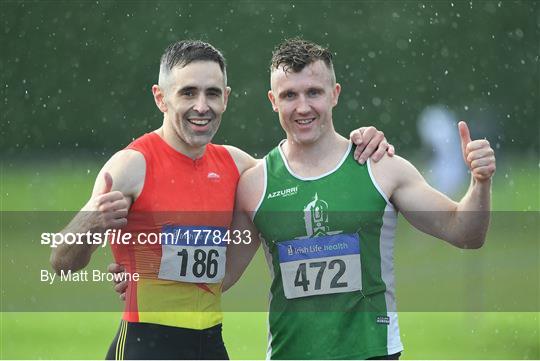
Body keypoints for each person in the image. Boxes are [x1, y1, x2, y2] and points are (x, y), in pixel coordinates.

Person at [50, 40, 393, 360]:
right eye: (188, 93)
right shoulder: (131, 166)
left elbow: (306, 166)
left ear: (226, 98)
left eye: (212, 93)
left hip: (211, 345)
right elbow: (62, 263)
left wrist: (363, 142)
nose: (202, 106)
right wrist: (88, 224)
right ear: (161, 97)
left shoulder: (237, 166)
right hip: (146, 345)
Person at [224, 38, 496, 359]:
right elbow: (221, 276)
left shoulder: (380, 166)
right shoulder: (256, 184)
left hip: (373, 352)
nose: (302, 107)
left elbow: (464, 232)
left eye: (314, 92)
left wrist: (480, 182)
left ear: (335, 94)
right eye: (289, 95)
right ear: (273, 100)